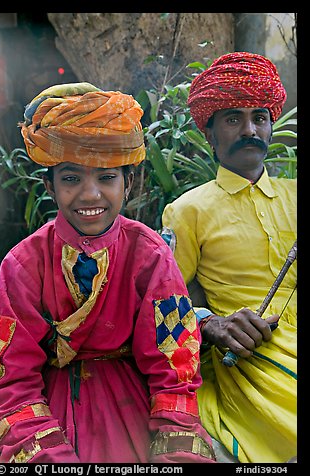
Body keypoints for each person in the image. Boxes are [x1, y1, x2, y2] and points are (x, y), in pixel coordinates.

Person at [0, 83, 216, 464]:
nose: (90, 195)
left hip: (132, 404)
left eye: (106, 177)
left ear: (128, 182)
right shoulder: (22, 264)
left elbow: (175, 365)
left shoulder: (150, 256)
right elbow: (12, 379)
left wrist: (176, 449)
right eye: (70, 179)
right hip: (48, 408)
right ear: (49, 186)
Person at [161, 52, 297, 463]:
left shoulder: (295, 194)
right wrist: (211, 325)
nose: (250, 129)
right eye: (233, 119)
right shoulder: (187, 211)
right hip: (254, 361)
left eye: (259, 117)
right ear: (210, 133)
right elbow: (162, 307)